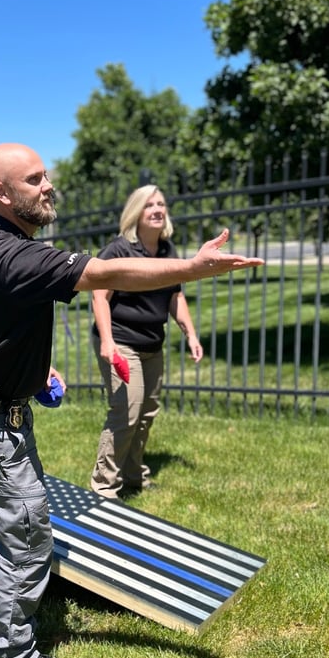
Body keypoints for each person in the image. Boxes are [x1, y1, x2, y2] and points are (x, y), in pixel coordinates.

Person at [0, 143, 263, 658]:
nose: (48, 185)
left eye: (46, 175)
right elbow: (107, 274)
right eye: (33, 179)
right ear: (1, 193)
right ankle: (12, 651)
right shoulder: (9, 252)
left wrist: (31, 371)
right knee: (24, 527)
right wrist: (192, 267)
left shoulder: (5, 246)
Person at [90, 186, 203, 500]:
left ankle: (133, 473)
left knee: (147, 411)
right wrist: (108, 343)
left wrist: (190, 333)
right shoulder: (119, 250)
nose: (157, 209)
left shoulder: (167, 251)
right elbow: (99, 296)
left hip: (153, 344)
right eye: (149, 205)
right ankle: (104, 486)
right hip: (121, 342)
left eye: (161, 204)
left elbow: (175, 295)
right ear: (136, 212)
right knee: (127, 409)